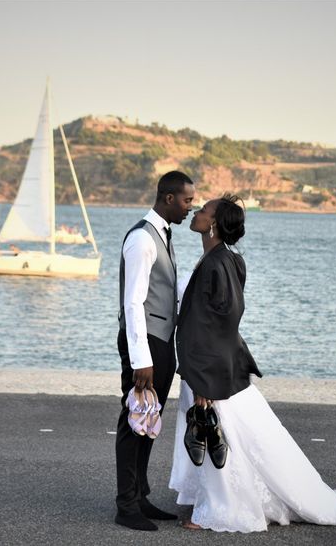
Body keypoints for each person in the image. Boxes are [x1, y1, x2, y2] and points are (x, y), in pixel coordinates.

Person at [169, 194, 336, 533]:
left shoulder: (217, 264)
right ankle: (220, 502)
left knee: (220, 440)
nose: (197, 212)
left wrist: (203, 382)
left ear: (213, 223)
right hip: (211, 368)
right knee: (232, 440)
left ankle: (228, 510)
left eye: (204, 210)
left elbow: (218, 325)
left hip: (210, 372)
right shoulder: (225, 258)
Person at [115, 170, 195, 532]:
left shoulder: (162, 234)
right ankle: (126, 506)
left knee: (148, 423)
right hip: (145, 344)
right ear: (168, 198)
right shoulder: (141, 240)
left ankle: (140, 495)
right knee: (134, 421)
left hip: (161, 342)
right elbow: (132, 303)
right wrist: (141, 359)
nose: (190, 207)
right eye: (187, 200)